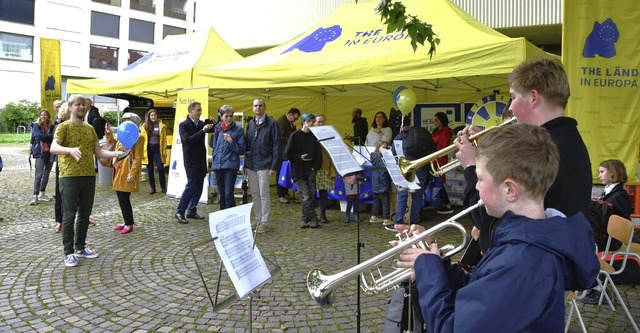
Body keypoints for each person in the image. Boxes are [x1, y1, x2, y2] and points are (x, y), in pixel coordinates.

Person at [397, 124, 600, 332]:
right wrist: (436, 264)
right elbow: (481, 289)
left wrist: (428, 271)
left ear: (510, 189)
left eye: (481, 178)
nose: (475, 186)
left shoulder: (521, 259)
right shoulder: (525, 238)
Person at [457, 59, 592, 253]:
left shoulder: (539, 149)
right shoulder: (567, 138)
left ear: (533, 97)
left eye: (513, 97)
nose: (510, 107)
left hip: (529, 257)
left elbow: (485, 216)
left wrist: (471, 167)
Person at [50, 95, 120, 267]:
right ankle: (68, 252)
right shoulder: (63, 127)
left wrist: (114, 154)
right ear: (71, 107)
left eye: (84, 104)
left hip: (88, 176)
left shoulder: (89, 129)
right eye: (78, 104)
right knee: (69, 215)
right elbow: (54, 147)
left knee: (85, 214)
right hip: (69, 176)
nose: (81, 107)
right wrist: (70, 150)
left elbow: (99, 152)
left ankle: (80, 247)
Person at [581, 158, 632, 304]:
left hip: (611, 241)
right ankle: (593, 285)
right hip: (605, 237)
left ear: (613, 173)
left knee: (579, 247)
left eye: (602, 172)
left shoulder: (619, 195)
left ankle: (598, 288)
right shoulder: (611, 191)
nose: (599, 175)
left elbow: (617, 219)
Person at [388, 115, 435, 231]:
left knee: (403, 195)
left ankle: (398, 221)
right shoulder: (420, 134)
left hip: (406, 168)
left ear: (402, 126)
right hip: (422, 167)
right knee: (418, 195)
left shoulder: (400, 136)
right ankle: (415, 219)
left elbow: (394, 153)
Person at [174, 101, 216, 224]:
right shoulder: (184, 125)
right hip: (191, 160)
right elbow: (187, 141)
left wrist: (215, 123)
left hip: (201, 159)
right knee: (191, 185)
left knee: (199, 186)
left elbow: (214, 129)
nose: (200, 112)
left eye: (200, 110)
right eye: (198, 110)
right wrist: (202, 131)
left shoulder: (202, 123)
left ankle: (192, 210)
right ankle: (179, 211)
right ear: (190, 111)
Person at [244, 98, 280, 233]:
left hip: (265, 163)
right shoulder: (251, 123)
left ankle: (265, 222)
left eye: (260, 105)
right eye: (255, 106)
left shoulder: (272, 123)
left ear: (265, 107)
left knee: (264, 194)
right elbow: (248, 144)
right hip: (252, 164)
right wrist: (246, 164)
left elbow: (277, 145)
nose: (257, 108)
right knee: (254, 194)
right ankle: (258, 218)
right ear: (253, 108)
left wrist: (274, 166)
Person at [105, 113, 144, 234]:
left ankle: (129, 223)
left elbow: (138, 157)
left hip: (127, 170)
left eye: (128, 120)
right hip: (118, 169)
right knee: (121, 197)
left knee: (124, 197)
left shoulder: (139, 137)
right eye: (124, 120)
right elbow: (114, 142)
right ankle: (126, 221)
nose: (125, 122)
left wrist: (132, 173)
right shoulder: (123, 134)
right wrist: (109, 134)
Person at [285, 113, 322, 228]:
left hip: (310, 170)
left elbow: (318, 155)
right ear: (304, 122)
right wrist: (299, 157)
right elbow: (288, 153)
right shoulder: (295, 135)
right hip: (299, 171)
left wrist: (314, 167)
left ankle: (304, 218)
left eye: (313, 121)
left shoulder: (314, 136)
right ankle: (314, 218)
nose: (312, 124)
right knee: (306, 196)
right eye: (310, 121)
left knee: (311, 195)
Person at [210, 104, 246, 210]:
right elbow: (212, 144)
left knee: (228, 193)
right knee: (222, 194)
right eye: (226, 116)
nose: (229, 118)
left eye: (231, 116)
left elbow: (241, 150)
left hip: (230, 165)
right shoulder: (217, 129)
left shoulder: (238, 130)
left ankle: (232, 217)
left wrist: (231, 142)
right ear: (221, 117)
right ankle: (223, 217)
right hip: (218, 165)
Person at [29, 109, 55, 205]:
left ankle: (42, 193)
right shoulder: (36, 125)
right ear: (39, 116)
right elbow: (39, 136)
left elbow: (55, 137)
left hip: (50, 152)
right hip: (40, 152)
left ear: (48, 117)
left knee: (47, 173)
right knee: (39, 174)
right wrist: (49, 136)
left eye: (45, 115)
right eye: (41, 115)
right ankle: (35, 195)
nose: (43, 117)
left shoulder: (52, 126)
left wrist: (47, 136)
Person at [140, 108, 168, 194]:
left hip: (157, 149)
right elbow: (142, 139)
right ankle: (152, 188)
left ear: (157, 116)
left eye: (154, 115)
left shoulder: (161, 126)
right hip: (148, 149)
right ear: (149, 116)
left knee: (160, 169)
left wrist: (164, 151)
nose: (153, 117)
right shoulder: (144, 126)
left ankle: (163, 187)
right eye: (151, 115)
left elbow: (164, 140)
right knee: (150, 169)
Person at [314, 114, 336, 223]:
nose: (321, 124)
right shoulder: (310, 134)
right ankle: (312, 215)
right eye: (318, 122)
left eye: (322, 121)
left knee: (323, 192)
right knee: (311, 192)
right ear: (314, 122)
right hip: (313, 168)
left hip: (324, 167)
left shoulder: (328, 134)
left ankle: (323, 214)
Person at [276, 107, 300, 203]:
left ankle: (285, 192)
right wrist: (292, 138)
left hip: (286, 152)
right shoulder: (282, 122)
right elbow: (280, 138)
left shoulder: (287, 121)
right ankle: (280, 194)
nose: (295, 120)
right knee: (281, 173)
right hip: (282, 152)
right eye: (295, 118)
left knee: (285, 173)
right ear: (290, 114)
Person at [52, 102, 70, 233]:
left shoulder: (81, 125)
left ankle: (83, 217)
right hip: (63, 163)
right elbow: (55, 147)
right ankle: (59, 220)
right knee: (60, 192)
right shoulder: (59, 127)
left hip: (78, 164)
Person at [431, 112, 453, 214]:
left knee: (439, 181)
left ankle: (447, 204)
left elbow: (442, 147)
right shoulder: (438, 131)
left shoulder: (445, 131)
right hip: (435, 158)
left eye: (436, 120)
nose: (434, 122)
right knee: (438, 181)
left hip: (439, 159)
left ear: (441, 121)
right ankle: (444, 203)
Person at [369, 141, 391, 225]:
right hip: (381, 182)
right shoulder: (379, 158)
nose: (385, 150)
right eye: (383, 148)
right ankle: (386, 219)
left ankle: (373, 216)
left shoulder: (374, 156)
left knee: (377, 200)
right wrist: (385, 180)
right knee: (385, 201)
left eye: (386, 148)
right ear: (379, 147)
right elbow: (383, 170)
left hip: (376, 182)